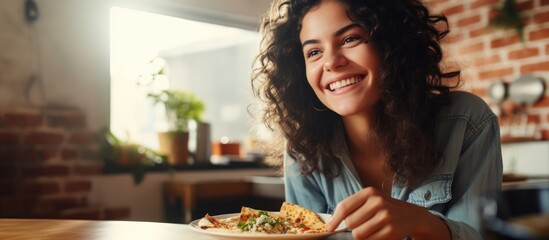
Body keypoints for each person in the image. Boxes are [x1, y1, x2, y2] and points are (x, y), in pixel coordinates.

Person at [251, 0, 502, 239]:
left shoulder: (467, 121)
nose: (331, 62)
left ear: (391, 43)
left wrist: (420, 222)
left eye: (350, 39)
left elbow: (481, 235)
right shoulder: (302, 146)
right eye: (314, 52)